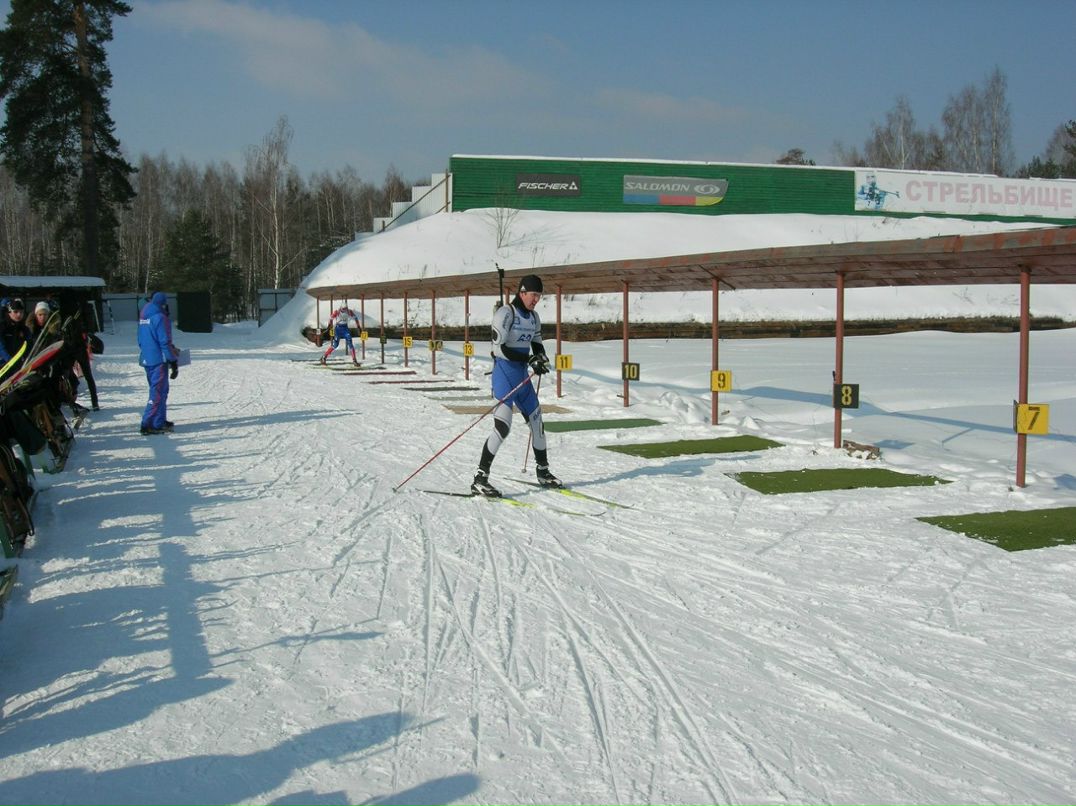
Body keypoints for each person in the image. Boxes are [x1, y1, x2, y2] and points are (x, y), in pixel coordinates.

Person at [471, 274, 560, 497]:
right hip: (504, 376)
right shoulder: (505, 313)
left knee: (537, 424)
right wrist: (529, 359)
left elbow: (537, 343)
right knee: (503, 428)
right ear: (522, 292)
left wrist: (541, 359)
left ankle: (543, 471)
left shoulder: (534, 317)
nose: (536, 300)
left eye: (539, 296)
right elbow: (499, 349)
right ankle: (480, 478)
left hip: (522, 378)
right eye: (533, 295)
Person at [137, 291, 179, 436]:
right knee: (157, 392)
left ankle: (159, 421)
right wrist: (173, 360)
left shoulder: (143, 317)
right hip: (158, 361)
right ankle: (148, 424)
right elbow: (164, 342)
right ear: (163, 304)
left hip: (147, 359)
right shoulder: (160, 318)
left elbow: (140, 341)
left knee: (161, 391)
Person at [319, 301, 362, 365]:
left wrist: (359, 327)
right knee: (335, 345)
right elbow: (331, 318)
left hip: (345, 329)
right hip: (338, 329)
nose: (344, 310)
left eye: (345, 309)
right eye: (343, 309)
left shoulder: (349, 312)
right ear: (341, 307)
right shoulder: (337, 312)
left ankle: (354, 360)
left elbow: (355, 318)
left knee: (350, 343)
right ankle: (324, 357)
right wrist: (328, 327)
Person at [0, 298, 32, 377]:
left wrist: (27, 360)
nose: (19, 314)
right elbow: (0, 346)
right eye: (15, 312)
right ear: (9, 313)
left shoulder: (25, 329)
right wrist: (9, 359)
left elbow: (29, 346)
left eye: (21, 312)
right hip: (3, 365)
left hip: (18, 366)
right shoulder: (2, 327)